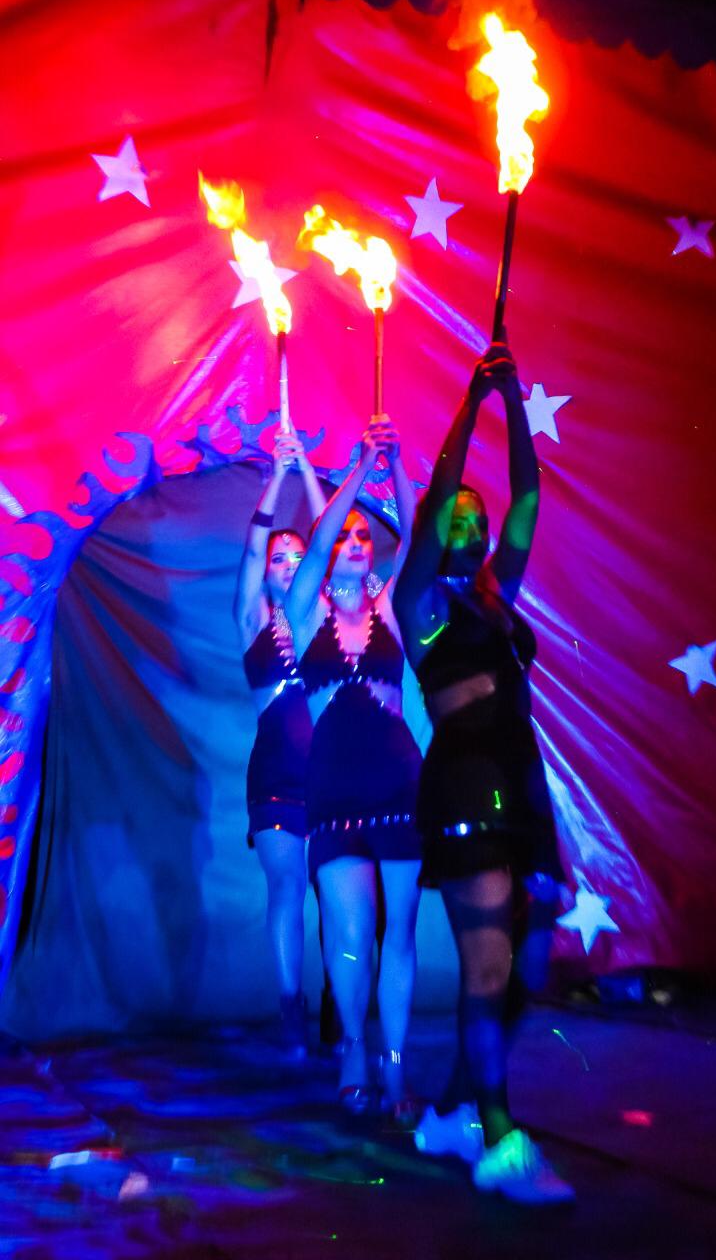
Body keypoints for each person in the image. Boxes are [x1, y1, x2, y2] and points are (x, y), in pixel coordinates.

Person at [393, 342, 574, 1204]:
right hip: (465, 787)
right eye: (454, 515)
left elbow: (529, 497)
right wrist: (468, 406)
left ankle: (450, 1112)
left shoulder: (497, 596)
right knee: (488, 969)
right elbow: (437, 494)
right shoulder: (421, 604)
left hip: (520, 790)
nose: (466, 521)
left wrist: (510, 402)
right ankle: (499, 1138)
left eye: (476, 514)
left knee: (522, 977)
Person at [286, 417, 422, 1119]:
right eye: (345, 536)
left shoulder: (390, 608)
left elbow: (419, 539)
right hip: (335, 794)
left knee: (399, 933)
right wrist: (359, 470)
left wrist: (392, 467)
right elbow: (313, 548)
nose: (355, 542)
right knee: (349, 937)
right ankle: (354, 1050)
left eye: (365, 535)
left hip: (399, 787)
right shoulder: (303, 612)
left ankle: (394, 1070)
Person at [235, 430, 326, 1055]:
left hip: (334, 775)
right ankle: (292, 1007)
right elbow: (250, 550)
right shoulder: (252, 621)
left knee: (343, 894)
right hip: (275, 778)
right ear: (267, 574)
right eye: (279, 559)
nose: (290, 564)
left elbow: (331, 535)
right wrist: (276, 478)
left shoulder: (328, 614)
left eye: (299, 556)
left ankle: (342, 1008)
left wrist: (311, 474)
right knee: (288, 888)